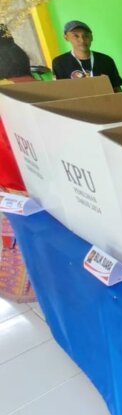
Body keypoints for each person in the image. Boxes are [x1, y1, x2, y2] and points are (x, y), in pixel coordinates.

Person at [0, 32, 36, 302]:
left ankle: (29, 285)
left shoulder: (5, 96)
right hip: (43, 180)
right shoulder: (40, 88)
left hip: (13, 186)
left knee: (24, 241)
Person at [51, 20, 122, 92]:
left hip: (104, 102)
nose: (82, 40)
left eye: (86, 36)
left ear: (91, 37)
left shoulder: (106, 60)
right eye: (76, 36)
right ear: (66, 37)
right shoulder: (59, 63)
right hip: (76, 103)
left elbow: (117, 89)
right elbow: (60, 92)